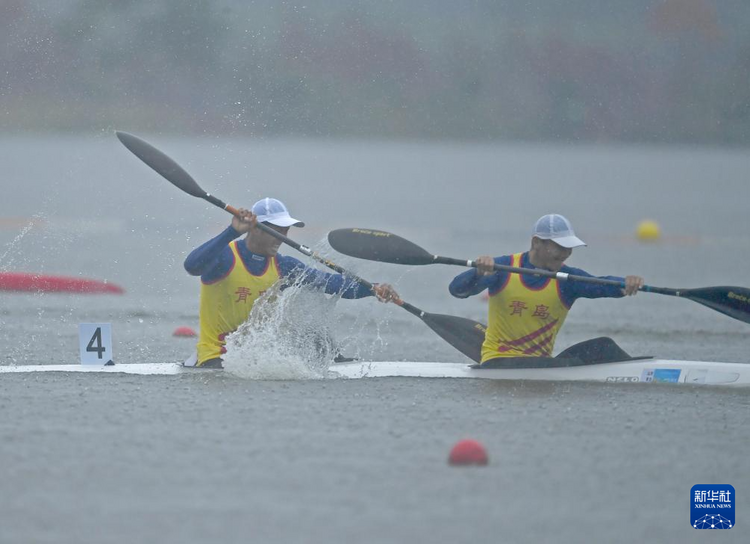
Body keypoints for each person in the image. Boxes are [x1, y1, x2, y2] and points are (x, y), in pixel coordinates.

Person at [184, 197, 401, 368]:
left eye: (285, 231)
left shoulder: (284, 266)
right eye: (276, 231)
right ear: (256, 228)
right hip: (215, 357)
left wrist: (374, 288)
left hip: (253, 355)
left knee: (312, 333)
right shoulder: (225, 258)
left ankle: (333, 358)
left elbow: (333, 283)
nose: (282, 237)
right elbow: (192, 266)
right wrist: (232, 231)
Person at [449, 213, 644, 366]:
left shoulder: (568, 280)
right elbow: (457, 290)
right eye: (560, 247)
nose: (566, 253)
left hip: (539, 363)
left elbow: (601, 285)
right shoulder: (502, 268)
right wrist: (479, 272)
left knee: (604, 346)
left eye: (569, 247)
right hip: (499, 362)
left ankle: (638, 372)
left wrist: (624, 284)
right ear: (536, 242)